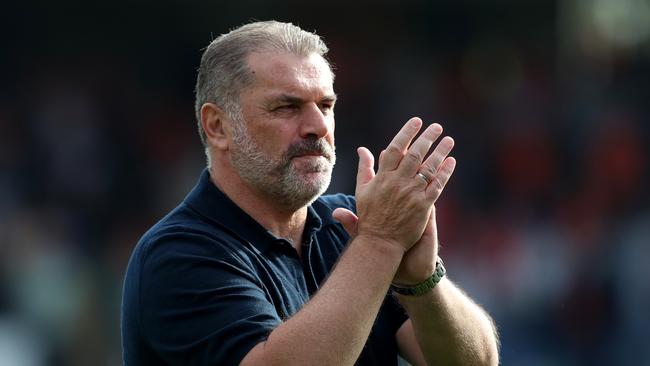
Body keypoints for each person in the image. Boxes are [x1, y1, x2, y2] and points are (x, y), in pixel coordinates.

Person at [121, 20, 499, 365]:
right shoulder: (178, 254)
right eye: (286, 107)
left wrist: (421, 282)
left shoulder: (350, 226)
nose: (318, 125)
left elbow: (476, 363)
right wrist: (381, 242)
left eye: (326, 105)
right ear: (218, 126)